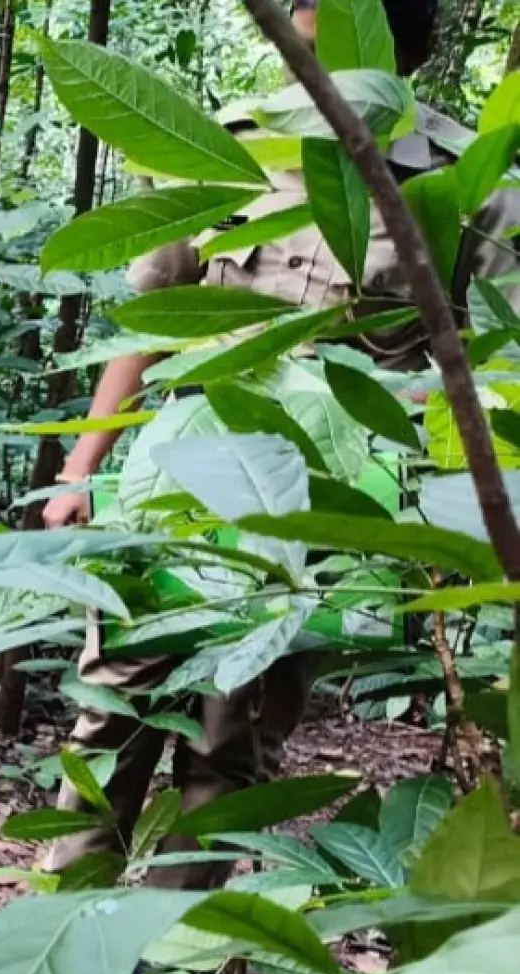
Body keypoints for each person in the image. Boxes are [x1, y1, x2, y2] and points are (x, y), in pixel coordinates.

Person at [35, 0, 520, 888]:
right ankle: (63, 919)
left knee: (236, 733)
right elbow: (151, 320)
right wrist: (78, 469)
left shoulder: (462, 181)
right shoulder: (232, 146)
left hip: (324, 505)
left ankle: (178, 957)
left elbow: (485, 369)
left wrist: (449, 531)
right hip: (181, 476)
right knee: (115, 702)